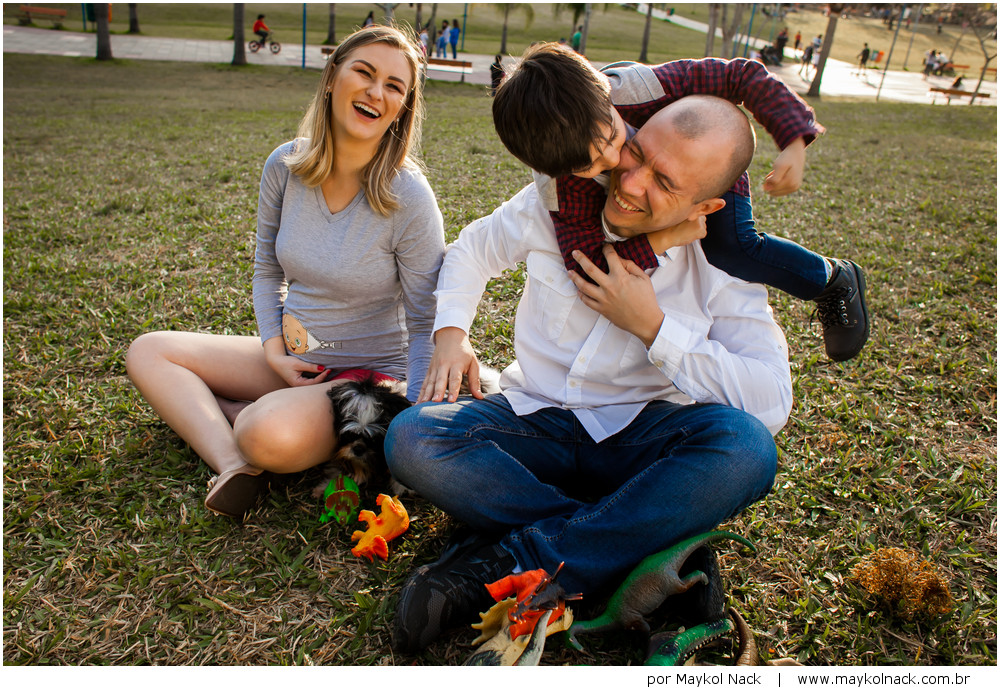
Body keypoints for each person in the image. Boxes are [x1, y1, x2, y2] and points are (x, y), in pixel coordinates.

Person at [387, 95, 791, 653]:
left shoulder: (724, 263)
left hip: (641, 440)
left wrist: (653, 328)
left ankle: (516, 560)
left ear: (707, 206)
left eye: (664, 184)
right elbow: (473, 249)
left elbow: (771, 401)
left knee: (746, 449)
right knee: (413, 437)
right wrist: (452, 335)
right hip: (535, 420)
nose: (631, 183)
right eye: (638, 154)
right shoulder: (562, 198)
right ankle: (638, 539)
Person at [125, 25, 444, 519]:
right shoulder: (285, 165)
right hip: (295, 358)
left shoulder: (409, 197)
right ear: (332, 77)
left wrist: (414, 424)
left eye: (394, 86)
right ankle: (234, 465)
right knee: (149, 352)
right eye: (364, 72)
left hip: (364, 381)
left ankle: (241, 419)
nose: (375, 92)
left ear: (403, 107)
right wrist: (274, 351)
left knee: (262, 433)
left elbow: (426, 322)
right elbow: (266, 268)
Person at [491, 44, 868, 363]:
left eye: (612, 138)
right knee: (616, 234)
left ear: (606, 94)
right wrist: (664, 238)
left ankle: (831, 279)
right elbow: (592, 271)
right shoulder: (558, 185)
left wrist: (793, 140)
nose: (614, 159)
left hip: (705, 160)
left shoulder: (641, 88)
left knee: (732, 247)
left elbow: (742, 76)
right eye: (588, 166)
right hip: (643, 189)